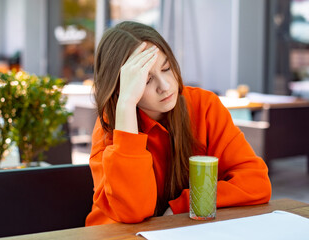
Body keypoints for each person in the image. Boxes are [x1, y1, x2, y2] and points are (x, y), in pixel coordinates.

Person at [85, 21, 271, 226]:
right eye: (145, 80)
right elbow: (133, 211)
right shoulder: (110, 126)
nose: (165, 86)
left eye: (166, 68)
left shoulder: (203, 106)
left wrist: (180, 206)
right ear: (120, 87)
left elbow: (256, 183)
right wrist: (127, 104)